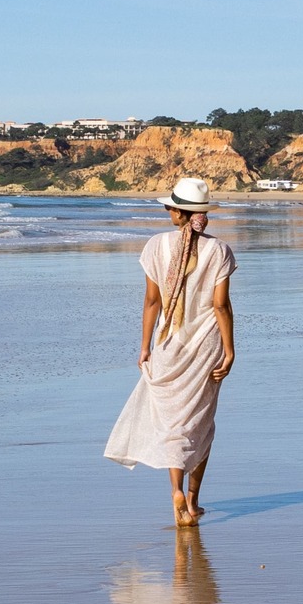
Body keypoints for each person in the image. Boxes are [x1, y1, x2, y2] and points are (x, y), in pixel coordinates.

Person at [105, 176, 236, 522]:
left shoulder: (155, 247)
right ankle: (192, 501)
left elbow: (152, 301)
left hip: (168, 344)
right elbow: (221, 305)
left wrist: (145, 347)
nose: (166, 210)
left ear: (179, 213)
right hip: (206, 346)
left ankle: (175, 492)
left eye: (169, 206)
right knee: (202, 424)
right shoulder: (219, 250)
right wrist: (230, 349)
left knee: (173, 425)